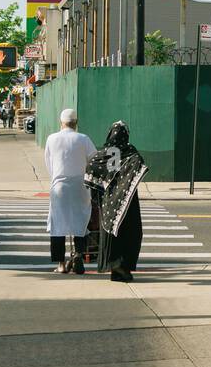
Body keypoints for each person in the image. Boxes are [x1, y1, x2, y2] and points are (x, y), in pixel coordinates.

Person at [87, 121, 146, 281]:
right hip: (128, 202)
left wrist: (101, 184)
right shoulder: (130, 152)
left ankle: (114, 267)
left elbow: (91, 165)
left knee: (113, 233)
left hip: (109, 202)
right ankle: (123, 268)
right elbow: (140, 164)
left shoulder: (106, 152)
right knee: (130, 233)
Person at [44, 109, 97, 273]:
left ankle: (60, 264)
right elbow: (94, 159)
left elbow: (49, 163)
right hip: (80, 186)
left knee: (57, 225)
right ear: (76, 123)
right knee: (80, 222)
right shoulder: (83, 139)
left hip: (59, 186)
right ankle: (79, 255)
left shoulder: (52, 139)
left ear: (61, 122)